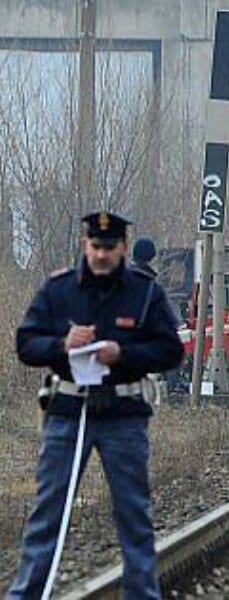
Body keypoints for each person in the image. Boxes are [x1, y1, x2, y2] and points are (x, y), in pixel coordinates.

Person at [9, 211, 184, 599]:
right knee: (47, 514)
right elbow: (25, 344)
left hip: (123, 416)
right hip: (67, 414)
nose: (101, 255)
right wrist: (61, 344)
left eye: (109, 247)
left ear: (122, 248)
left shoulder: (144, 292)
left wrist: (122, 354)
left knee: (134, 516)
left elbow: (171, 351)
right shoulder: (58, 291)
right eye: (95, 246)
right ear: (84, 245)